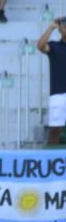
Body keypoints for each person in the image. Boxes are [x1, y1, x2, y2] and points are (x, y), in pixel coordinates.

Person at [38, 16, 66, 145]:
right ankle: (50, 159)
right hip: (58, 93)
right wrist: (51, 27)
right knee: (55, 129)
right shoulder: (54, 46)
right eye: (64, 26)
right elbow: (40, 45)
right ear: (60, 29)